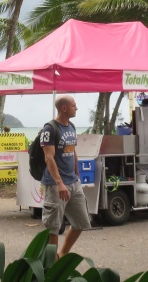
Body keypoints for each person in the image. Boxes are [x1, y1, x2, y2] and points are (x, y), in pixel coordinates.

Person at [40, 95, 93, 260]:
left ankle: (63, 254)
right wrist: (59, 183)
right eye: (73, 105)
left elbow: (72, 151)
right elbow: (49, 158)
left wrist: (77, 173)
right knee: (53, 227)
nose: (76, 108)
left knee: (81, 222)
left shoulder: (71, 126)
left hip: (73, 182)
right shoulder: (49, 128)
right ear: (64, 108)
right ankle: (52, 262)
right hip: (56, 185)